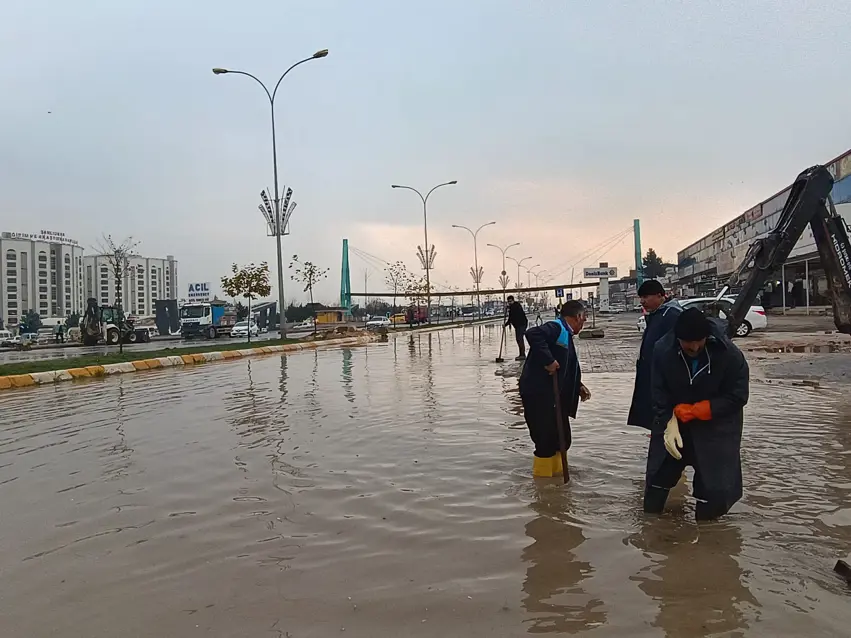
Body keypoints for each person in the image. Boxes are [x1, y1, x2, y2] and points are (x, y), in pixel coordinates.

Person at [644, 307, 749, 520]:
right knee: (658, 476)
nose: (694, 347)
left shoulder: (729, 354)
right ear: (677, 338)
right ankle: (651, 526)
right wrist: (667, 421)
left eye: (698, 342)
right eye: (687, 342)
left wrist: (701, 409)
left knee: (714, 488)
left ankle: (708, 535)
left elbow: (738, 396)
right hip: (677, 423)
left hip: (716, 426)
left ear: (707, 337)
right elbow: (657, 390)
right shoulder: (663, 350)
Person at [519, 300, 591, 478]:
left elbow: (567, 366)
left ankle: (558, 484)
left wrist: (578, 385)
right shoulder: (556, 327)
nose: (584, 323)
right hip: (539, 394)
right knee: (545, 442)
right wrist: (548, 361)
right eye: (584, 319)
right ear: (578, 316)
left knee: (562, 439)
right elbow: (533, 334)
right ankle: (543, 487)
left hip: (554, 397)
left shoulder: (566, 333)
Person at [627, 280, 682, 429]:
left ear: (660, 296)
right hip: (652, 376)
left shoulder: (672, 315)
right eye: (641, 298)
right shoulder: (657, 315)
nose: (642, 301)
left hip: (665, 380)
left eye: (645, 297)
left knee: (665, 423)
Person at [505, 295, 529, 361]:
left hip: (521, 324)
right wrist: (505, 325)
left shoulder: (516, 306)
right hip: (518, 325)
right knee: (519, 339)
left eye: (510, 301)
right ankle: (521, 354)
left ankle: (522, 355)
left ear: (513, 300)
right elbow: (510, 318)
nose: (509, 302)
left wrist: (509, 308)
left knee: (519, 339)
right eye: (508, 301)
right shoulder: (512, 307)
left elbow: (512, 316)